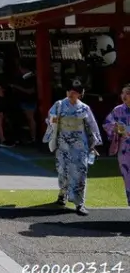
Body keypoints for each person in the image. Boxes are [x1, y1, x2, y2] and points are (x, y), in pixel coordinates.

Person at [45, 81, 102, 215]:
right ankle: (62, 194)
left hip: (80, 144)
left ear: (80, 94)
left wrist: (93, 143)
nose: (72, 93)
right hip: (63, 143)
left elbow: (92, 125)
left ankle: (79, 203)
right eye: (70, 90)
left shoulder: (84, 108)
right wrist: (53, 121)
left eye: (75, 91)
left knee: (81, 171)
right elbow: (50, 119)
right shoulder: (59, 105)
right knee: (62, 170)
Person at [104, 84, 130, 206]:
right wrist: (116, 128)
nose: (124, 96)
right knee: (128, 176)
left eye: (128, 93)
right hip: (125, 149)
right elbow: (107, 124)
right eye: (123, 93)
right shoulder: (118, 110)